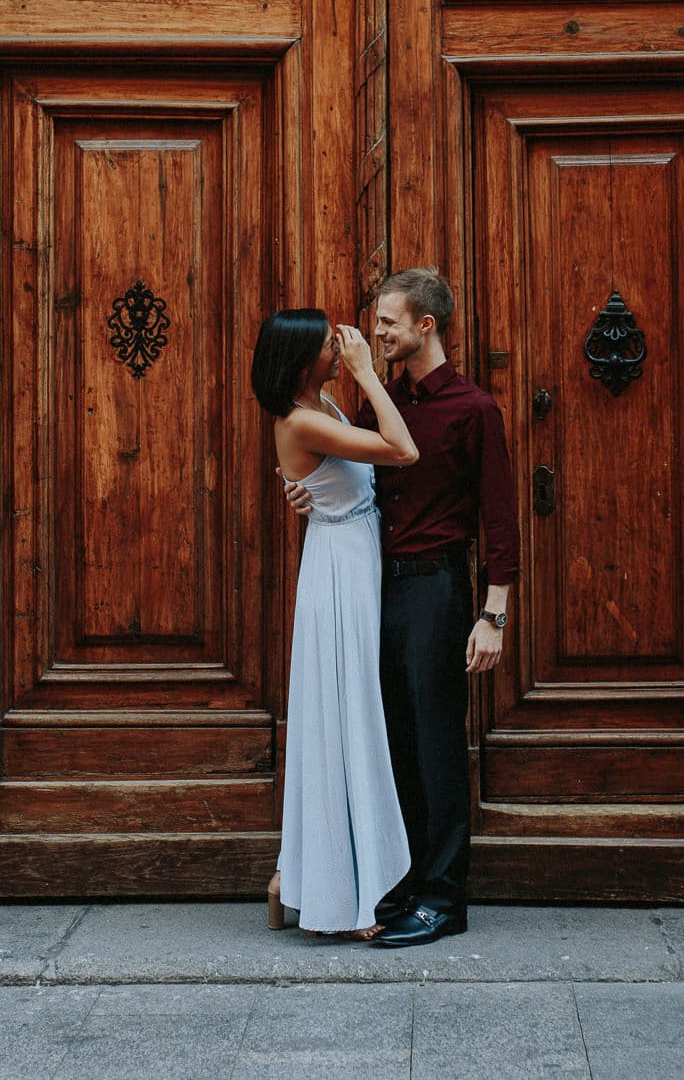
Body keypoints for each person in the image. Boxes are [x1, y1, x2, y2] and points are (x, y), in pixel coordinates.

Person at [282, 268, 520, 949]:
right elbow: (351, 481)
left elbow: (499, 520)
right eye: (376, 320)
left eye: (387, 321)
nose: (374, 331)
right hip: (371, 588)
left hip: (434, 590)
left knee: (437, 744)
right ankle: (403, 883)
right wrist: (306, 494)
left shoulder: (474, 408)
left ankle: (445, 899)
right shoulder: (380, 406)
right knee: (392, 746)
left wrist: (493, 613)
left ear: (426, 326)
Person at [250, 309, 418, 938]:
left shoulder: (319, 404)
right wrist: (369, 375)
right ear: (302, 361)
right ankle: (337, 892)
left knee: (356, 712)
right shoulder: (302, 420)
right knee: (346, 716)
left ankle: (297, 872)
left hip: (351, 555)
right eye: (330, 343)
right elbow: (401, 450)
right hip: (340, 572)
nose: (343, 344)